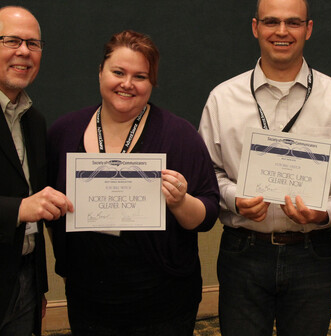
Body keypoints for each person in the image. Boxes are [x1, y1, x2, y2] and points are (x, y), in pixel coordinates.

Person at [199, 0, 331, 336]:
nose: (281, 31)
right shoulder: (222, 99)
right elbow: (208, 174)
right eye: (271, 22)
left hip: (313, 253)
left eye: (293, 22)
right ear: (255, 27)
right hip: (243, 251)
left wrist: (324, 212)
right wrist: (234, 198)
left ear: (308, 29)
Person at [48, 29, 220, 336]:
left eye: (140, 76)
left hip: (163, 299)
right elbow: (48, 204)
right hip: (88, 296)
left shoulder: (179, 135)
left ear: (152, 82)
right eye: (118, 72)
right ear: (100, 72)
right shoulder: (64, 132)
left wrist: (180, 201)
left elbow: (208, 214)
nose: (127, 84)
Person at [0, 6, 73, 336]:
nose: (24, 51)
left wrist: (39, 286)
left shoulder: (34, 120)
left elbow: (38, 206)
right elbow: (27, 206)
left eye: (33, 43)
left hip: (24, 282)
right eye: (12, 41)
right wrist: (18, 209)